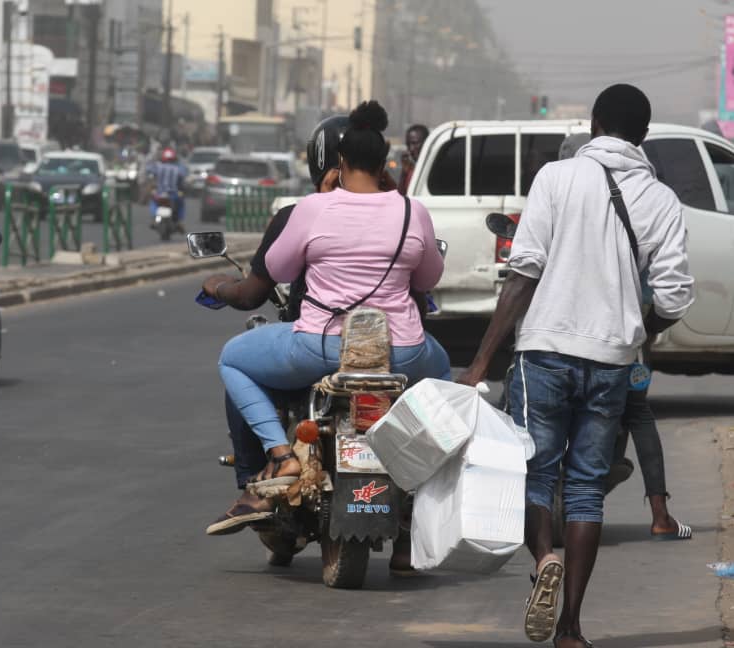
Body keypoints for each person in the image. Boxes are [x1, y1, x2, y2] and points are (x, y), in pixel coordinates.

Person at [457, 84, 694, 647]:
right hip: (612, 361)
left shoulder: (557, 179)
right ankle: (571, 627)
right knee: (586, 488)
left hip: (544, 353)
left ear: (594, 125)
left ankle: (544, 560)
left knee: (535, 474)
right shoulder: (661, 199)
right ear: (642, 135)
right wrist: (635, 329)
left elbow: (524, 274)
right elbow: (675, 296)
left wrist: (480, 362)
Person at [205, 100, 451, 542]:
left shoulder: (312, 209)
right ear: (386, 162)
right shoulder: (413, 211)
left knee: (233, 359)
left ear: (339, 162)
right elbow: (430, 277)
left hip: (320, 346)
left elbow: (276, 272)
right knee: (445, 374)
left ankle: (281, 456)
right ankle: (418, 495)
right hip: (402, 352)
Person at [558, 132, 692, 543]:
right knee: (638, 415)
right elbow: (668, 289)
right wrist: (644, 333)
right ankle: (661, 515)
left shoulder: (563, 203)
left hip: (563, 341)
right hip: (627, 345)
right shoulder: (646, 201)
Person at [145, 147, 187, 230]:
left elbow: (148, 170)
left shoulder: (157, 166)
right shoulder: (178, 168)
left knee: (153, 201)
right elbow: (184, 176)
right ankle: (179, 222)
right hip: (173, 193)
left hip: (159, 193)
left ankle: (154, 218)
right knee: (181, 203)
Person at [398, 124, 429, 195]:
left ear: (426, 142)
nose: (411, 149)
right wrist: (404, 172)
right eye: (408, 145)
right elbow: (401, 197)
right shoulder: (411, 171)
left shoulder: (434, 167)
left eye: (415, 143)